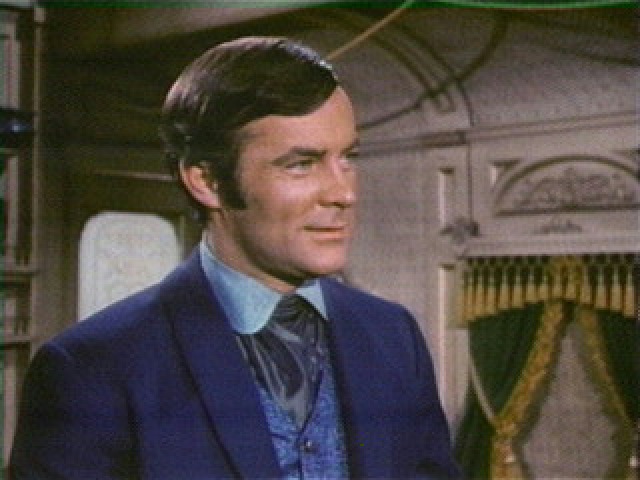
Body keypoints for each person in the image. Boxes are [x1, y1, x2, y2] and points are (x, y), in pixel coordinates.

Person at [10, 36, 461, 479]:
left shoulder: (391, 336)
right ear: (207, 182)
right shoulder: (93, 369)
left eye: (348, 158)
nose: (343, 193)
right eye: (301, 164)